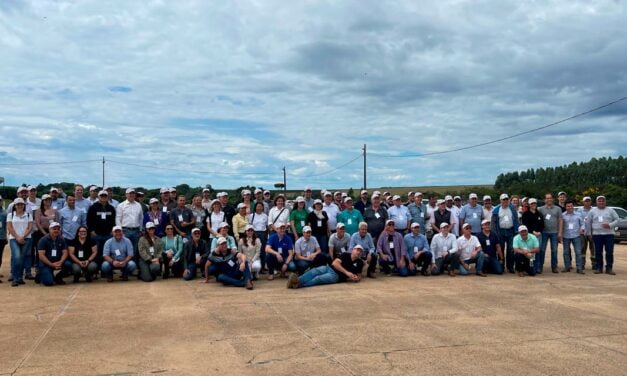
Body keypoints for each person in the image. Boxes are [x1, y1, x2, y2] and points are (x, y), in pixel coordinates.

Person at [287, 244, 364, 289]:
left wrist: (356, 278)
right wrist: (347, 273)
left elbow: (359, 275)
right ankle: (297, 280)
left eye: (360, 251)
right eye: (357, 250)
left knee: (318, 278)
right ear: (353, 250)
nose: (358, 252)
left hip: (336, 276)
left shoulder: (360, 262)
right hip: (329, 267)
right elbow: (335, 263)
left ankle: (298, 284)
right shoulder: (345, 255)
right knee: (314, 271)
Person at [586, 195, 619, 275]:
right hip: (597, 235)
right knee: (598, 252)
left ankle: (609, 268)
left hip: (609, 235)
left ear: (605, 202)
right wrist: (589, 233)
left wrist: (610, 225)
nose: (601, 202)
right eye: (599, 201)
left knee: (609, 252)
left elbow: (617, 219)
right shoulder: (592, 211)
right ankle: (599, 268)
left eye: (602, 201)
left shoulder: (610, 210)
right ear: (596, 202)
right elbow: (588, 223)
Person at [7, 198, 34, 285]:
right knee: (17, 257)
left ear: (24, 205)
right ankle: (15, 278)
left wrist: (23, 237)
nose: (20, 206)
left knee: (22, 258)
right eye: (18, 204)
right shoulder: (10, 215)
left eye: (21, 204)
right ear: (15, 206)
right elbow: (10, 227)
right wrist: (18, 237)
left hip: (27, 238)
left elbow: (30, 228)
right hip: (13, 239)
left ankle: (19, 278)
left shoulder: (29, 215)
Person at [36, 221, 72, 286]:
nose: (56, 230)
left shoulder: (62, 239)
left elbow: (65, 252)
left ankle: (58, 277)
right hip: (46, 264)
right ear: (49, 229)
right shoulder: (43, 240)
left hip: (58, 262)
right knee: (49, 283)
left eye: (58, 229)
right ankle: (40, 275)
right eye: (54, 229)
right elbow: (41, 256)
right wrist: (51, 264)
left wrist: (61, 262)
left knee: (68, 264)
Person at [491, 193, 519, 274]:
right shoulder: (496, 210)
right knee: (501, 249)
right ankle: (501, 266)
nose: (505, 201)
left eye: (507, 199)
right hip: (500, 231)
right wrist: (495, 234)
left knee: (511, 249)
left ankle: (510, 267)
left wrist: (516, 231)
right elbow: (493, 223)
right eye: (503, 199)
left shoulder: (512, 208)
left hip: (510, 231)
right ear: (500, 200)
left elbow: (516, 220)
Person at [86, 190, 116, 266]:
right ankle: (96, 270)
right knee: (96, 253)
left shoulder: (111, 208)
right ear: (98, 197)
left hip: (108, 234)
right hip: (96, 234)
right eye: (101, 196)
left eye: (105, 196)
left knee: (107, 252)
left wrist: (112, 230)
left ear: (107, 197)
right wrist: (91, 230)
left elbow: (114, 221)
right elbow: (88, 220)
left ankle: (105, 270)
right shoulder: (93, 207)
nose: (103, 197)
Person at [537, 193, 563, 274]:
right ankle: (540, 267)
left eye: (550, 198)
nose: (549, 199)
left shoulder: (558, 209)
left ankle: (554, 267)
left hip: (554, 233)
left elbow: (560, 220)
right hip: (544, 232)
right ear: (545, 200)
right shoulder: (540, 209)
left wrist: (560, 232)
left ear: (553, 199)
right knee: (542, 250)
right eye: (547, 198)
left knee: (554, 250)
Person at [115, 188, 143, 255]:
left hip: (136, 231)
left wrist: (141, 230)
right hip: (125, 231)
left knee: (135, 250)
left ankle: (134, 265)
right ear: (126, 195)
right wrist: (120, 231)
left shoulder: (138, 205)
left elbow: (141, 218)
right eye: (130, 193)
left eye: (133, 193)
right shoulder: (121, 205)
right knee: (124, 249)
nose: (131, 195)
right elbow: (118, 219)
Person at [561, 200, 585, 274]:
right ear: (565, 207)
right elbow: (560, 225)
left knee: (578, 252)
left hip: (576, 235)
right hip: (566, 236)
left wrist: (582, 229)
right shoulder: (563, 215)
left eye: (571, 206)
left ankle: (579, 268)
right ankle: (567, 267)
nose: (570, 207)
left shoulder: (578, 214)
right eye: (568, 206)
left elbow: (582, 224)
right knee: (566, 252)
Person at [249, 202, 269, 272]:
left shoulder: (265, 216)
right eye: (258, 206)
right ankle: (255, 267)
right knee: (254, 251)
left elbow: (267, 226)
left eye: (261, 206)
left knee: (262, 251)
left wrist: (266, 235)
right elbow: (250, 226)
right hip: (254, 234)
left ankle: (263, 267)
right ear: (255, 207)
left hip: (263, 234)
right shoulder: (252, 215)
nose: (259, 208)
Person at [577, 196, 596, 270]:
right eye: (586, 201)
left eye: (588, 201)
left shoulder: (594, 210)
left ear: (591, 202)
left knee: (593, 249)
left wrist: (591, 233)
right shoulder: (579, 210)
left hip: (592, 233)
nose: (587, 202)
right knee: (582, 249)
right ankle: (582, 264)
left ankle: (594, 264)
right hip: (582, 233)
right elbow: (578, 221)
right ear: (583, 202)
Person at [0, 196, 7, 282]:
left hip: (1, 237)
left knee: (0, 256)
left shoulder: (4, 213)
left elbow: (5, 227)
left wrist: (5, 237)